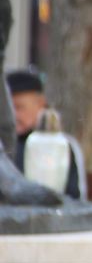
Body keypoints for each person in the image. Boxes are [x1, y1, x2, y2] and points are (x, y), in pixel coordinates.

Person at [5, 69, 83, 199]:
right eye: (8, 109)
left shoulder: (60, 144)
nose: (13, 116)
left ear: (40, 103)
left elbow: (73, 195)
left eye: (19, 107)